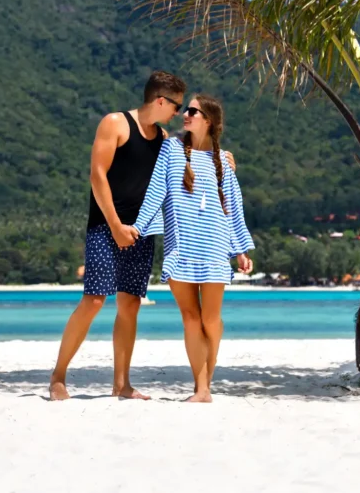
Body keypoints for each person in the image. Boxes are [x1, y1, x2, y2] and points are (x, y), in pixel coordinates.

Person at [48, 72, 236, 401]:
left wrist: (224, 159)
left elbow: (192, 159)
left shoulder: (164, 140)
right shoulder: (115, 124)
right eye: (178, 106)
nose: (180, 114)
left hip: (142, 231)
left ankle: (121, 384)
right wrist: (116, 225)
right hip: (106, 227)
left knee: (130, 304)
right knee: (93, 300)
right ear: (161, 101)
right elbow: (97, 175)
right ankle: (58, 376)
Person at [131, 94, 254, 403]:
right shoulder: (171, 150)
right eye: (186, 109)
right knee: (190, 318)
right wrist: (137, 227)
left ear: (208, 120)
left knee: (210, 320)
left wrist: (240, 249)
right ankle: (201, 389)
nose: (186, 113)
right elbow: (155, 192)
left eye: (194, 111)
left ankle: (205, 386)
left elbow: (234, 208)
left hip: (214, 247)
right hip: (181, 247)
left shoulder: (223, 160)